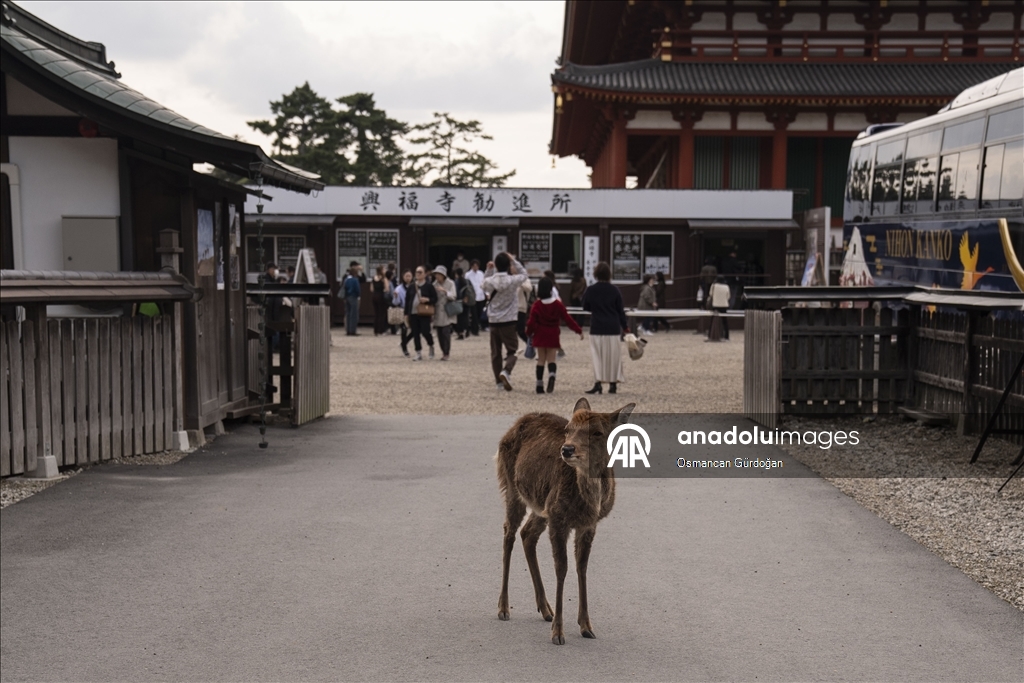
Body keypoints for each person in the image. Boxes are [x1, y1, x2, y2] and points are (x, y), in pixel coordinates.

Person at [526, 277, 583, 394]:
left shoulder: (536, 305)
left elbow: (531, 322)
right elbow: (567, 319)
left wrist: (528, 332)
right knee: (552, 358)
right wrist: (578, 330)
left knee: (541, 359)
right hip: (553, 333)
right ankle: (552, 375)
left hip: (540, 333)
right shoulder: (557, 304)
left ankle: (539, 385)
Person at [482, 252, 529, 391]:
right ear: (508, 265)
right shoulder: (512, 280)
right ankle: (506, 370)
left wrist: (489, 270)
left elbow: (483, 285)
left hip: (493, 320)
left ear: (496, 265)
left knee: (495, 352)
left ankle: (498, 382)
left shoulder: (490, 281)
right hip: (508, 320)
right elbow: (524, 274)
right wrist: (514, 260)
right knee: (512, 350)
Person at [581, 261, 629, 395]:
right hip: (613, 327)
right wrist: (625, 327)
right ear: (609, 274)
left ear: (596, 274)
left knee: (598, 356)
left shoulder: (591, 289)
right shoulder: (614, 290)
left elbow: (585, 305)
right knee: (613, 356)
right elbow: (620, 310)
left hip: (597, 326)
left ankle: (598, 383)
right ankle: (613, 384)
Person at [407, 266, 437, 360]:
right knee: (415, 333)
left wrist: (427, 299)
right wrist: (406, 313)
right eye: (416, 272)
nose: (418, 274)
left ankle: (431, 345)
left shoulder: (429, 286)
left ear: (425, 274)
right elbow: (407, 300)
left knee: (425, 331)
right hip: (413, 312)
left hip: (424, 312)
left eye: (420, 272)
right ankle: (418, 352)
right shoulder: (412, 286)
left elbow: (435, 298)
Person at [431, 266, 457, 361]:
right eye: (436, 274)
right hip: (437, 310)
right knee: (439, 333)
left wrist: (445, 291)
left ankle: (446, 352)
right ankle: (443, 351)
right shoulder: (434, 284)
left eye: (439, 274)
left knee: (446, 333)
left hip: (447, 310)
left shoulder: (450, 283)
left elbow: (454, 296)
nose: (437, 276)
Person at [392, 269, 415, 357]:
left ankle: (404, 342)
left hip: (413, 310)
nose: (408, 278)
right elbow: (395, 303)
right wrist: (396, 296)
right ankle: (405, 348)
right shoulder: (399, 288)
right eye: (406, 276)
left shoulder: (414, 286)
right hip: (403, 310)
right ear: (403, 277)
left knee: (415, 330)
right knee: (404, 330)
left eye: (409, 276)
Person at [342, 262, 363, 336]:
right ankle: (352, 330)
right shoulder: (355, 280)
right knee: (354, 314)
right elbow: (357, 289)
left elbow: (344, 288)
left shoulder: (346, 279)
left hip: (347, 296)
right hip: (353, 297)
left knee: (348, 313)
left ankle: (348, 330)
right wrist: (358, 296)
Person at [466, 259, 486, 335]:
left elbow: (484, 283)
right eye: (474, 266)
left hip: (480, 295)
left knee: (479, 313)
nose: (475, 267)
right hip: (472, 296)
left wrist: (486, 293)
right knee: (473, 313)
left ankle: (476, 326)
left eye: (477, 266)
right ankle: (475, 330)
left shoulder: (481, 273)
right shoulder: (468, 275)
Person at [371, 265, 391, 336]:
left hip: (374, 296)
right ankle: (381, 330)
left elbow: (371, 289)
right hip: (381, 296)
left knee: (376, 313)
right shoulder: (384, 278)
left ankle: (375, 330)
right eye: (384, 269)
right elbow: (387, 289)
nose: (385, 270)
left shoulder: (373, 278)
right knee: (382, 313)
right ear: (382, 270)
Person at [710, 275, 732, 340]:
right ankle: (726, 335)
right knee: (725, 321)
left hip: (715, 304)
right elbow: (728, 296)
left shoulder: (713, 286)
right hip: (724, 305)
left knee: (713, 320)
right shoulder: (726, 286)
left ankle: (711, 334)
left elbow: (710, 294)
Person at [453, 267, 471, 340]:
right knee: (466, 317)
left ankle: (460, 333)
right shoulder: (467, 281)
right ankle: (467, 329)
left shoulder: (456, 281)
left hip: (459, 301)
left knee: (458, 319)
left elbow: (456, 291)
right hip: (467, 301)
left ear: (456, 274)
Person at [516, 276, 535, 344]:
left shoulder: (525, 280)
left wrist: (519, 281)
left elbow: (529, 288)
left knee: (521, 331)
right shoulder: (509, 278)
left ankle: (531, 343)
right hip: (510, 309)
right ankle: (512, 350)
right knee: (510, 331)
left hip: (520, 308)